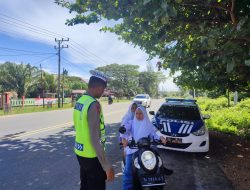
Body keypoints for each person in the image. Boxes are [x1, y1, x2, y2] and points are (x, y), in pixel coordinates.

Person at [73, 70, 114, 190]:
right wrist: (106, 166)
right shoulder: (94, 104)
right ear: (98, 88)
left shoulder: (80, 101)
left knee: (85, 185)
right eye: (103, 89)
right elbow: (94, 137)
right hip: (92, 156)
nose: (103, 93)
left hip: (80, 152)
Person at [121, 106, 166, 190]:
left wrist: (161, 138)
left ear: (144, 114)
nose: (138, 115)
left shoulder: (149, 124)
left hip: (146, 150)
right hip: (133, 149)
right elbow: (125, 129)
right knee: (128, 172)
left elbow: (154, 134)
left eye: (141, 113)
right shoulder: (131, 123)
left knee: (157, 164)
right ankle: (127, 188)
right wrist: (123, 138)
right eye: (137, 113)